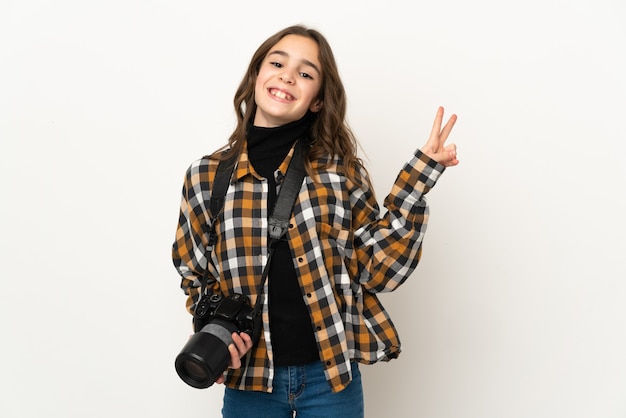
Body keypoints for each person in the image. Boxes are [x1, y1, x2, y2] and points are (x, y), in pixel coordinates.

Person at [172, 24, 458, 418]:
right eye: (277, 63)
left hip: (330, 378)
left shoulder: (339, 173)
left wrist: (419, 177)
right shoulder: (206, 176)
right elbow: (193, 271)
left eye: (306, 73)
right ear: (257, 75)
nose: (288, 75)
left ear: (318, 101)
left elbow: (377, 271)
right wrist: (211, 329)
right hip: (249, 382)